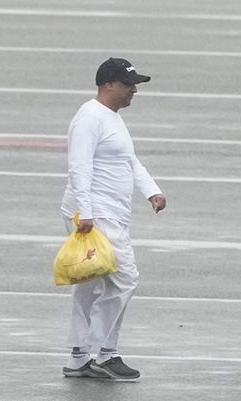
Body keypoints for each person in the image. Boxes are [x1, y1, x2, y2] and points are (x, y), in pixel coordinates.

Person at [60, 57, 166, 380]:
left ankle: (80, 357)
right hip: (95, 215)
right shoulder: (89, 118)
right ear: (108, 85)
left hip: (107, 213)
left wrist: (152, 191)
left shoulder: (112, 117)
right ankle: (104, 352)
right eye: (128, 84)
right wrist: (86, 213)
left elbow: (129, 161)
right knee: (125, 278)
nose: (134, 90)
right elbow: (79, 166)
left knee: (90, 284)